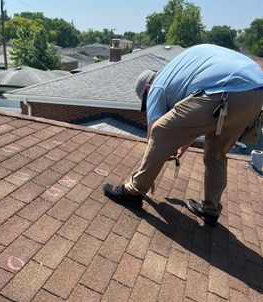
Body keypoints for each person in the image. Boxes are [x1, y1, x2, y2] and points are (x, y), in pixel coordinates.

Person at [103, 44, 263, 226]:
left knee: (160, 130)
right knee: (216, 155)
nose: (150, 104)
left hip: (226, 91)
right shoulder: (178, 75)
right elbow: (192, 122)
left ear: (148, 87)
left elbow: (155, 132)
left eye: (146, 100)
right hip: (255, 94)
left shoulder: (158, 84)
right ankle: (211, 210)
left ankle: (132, 192)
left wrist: (147, 175)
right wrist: (181, 145)